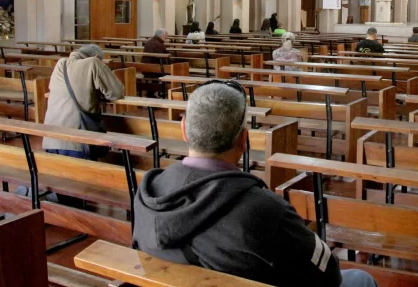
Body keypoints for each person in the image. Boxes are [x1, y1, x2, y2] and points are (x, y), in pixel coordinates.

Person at [132, 82, 377, 287]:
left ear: (183, 130)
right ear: (244, 140)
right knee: (361, 279)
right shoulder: (267, 210)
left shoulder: (149, 190)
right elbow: (328, 275)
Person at [43, 44, 125, 159]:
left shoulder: (61, 64)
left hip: (51, 139)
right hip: (77, 142)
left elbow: (52, 88)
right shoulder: (93, 63)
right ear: (97, 57)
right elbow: (117, 92)